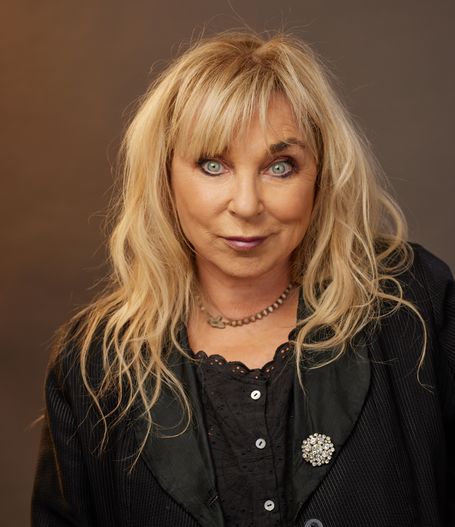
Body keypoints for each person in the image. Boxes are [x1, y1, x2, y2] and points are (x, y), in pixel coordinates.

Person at [31, 30, 454, 527]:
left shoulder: (410, 304)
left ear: (320, 175)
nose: (248, 205)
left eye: (281, 166)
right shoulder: (96, 363)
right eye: (213, 165)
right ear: (164, 177)